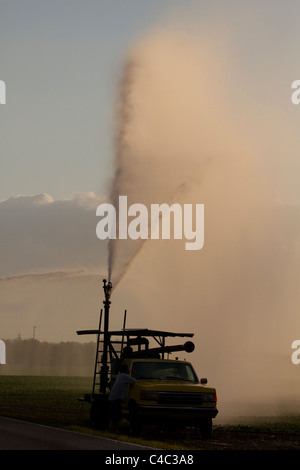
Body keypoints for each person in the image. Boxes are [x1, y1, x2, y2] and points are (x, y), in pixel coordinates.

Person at [108, 364, 136, 432]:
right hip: (116, 399)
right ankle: (114, 429)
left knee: (115, 415)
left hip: (113, 398)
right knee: (116, 415)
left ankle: (113, 428)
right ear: (125, 370)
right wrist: (134, 374)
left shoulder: (121, 376)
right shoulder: (124, 376)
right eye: (128, 369)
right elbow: (134, 381)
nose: (129, 370)